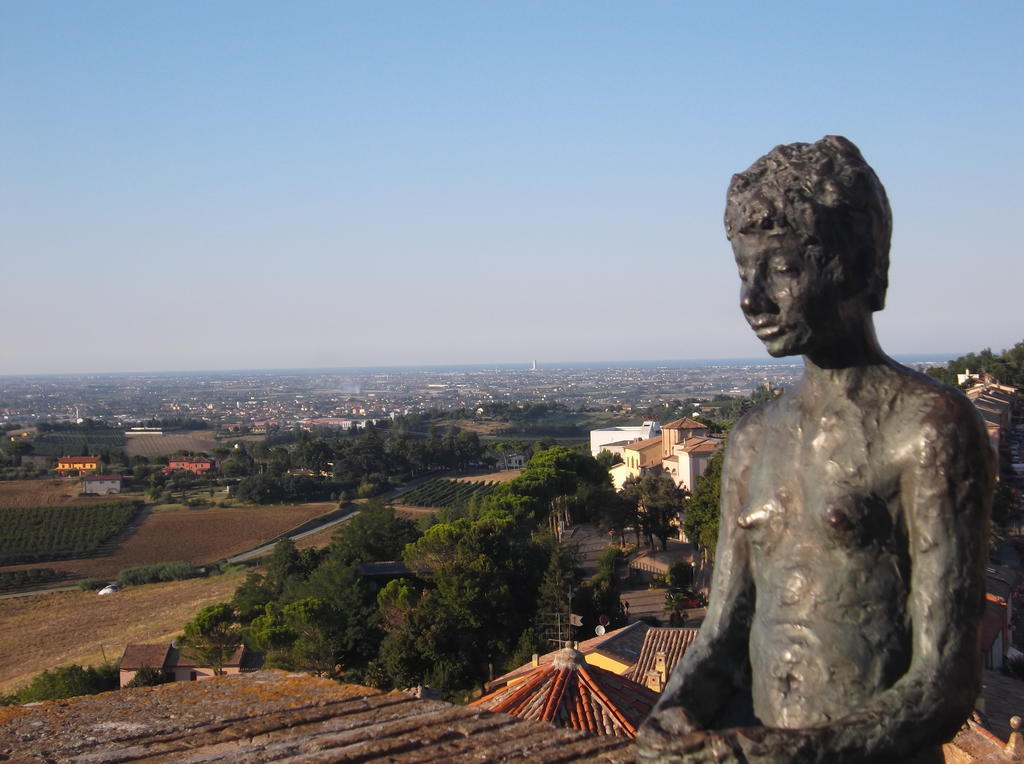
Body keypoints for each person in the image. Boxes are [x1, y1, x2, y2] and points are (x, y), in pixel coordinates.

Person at [638, 136, 994, 762]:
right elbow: (722, 632)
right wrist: (673, 713)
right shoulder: (751, 441)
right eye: (744, 272)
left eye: (779, 269)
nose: (750, 299)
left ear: (855, 267)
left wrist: (787, 754)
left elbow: (944, 682)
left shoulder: (931, 430)